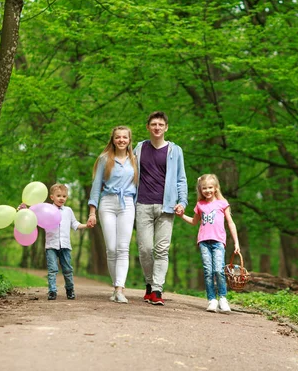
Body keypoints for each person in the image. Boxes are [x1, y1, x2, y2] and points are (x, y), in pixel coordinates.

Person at [134, 111, 188, 306]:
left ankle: (157, 289)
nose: (157, 127)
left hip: (167, 206)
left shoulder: (175, 151)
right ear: (148, 127)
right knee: (145, 249)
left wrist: (183, 201)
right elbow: (128, 172)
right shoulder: (139, 148)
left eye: (161, 124)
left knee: (162, 249)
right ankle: (149, 283)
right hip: (142, 204)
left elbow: (181, 178)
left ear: (166, 128)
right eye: (153, 124)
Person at [87, 126, 138, 304]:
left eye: (125, 137)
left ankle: (119, 289)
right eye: (118, 137)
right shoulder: (104, 159)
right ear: (113, 139)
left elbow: (139, 187)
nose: (122, 140)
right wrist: (92, 212)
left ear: (130, 140)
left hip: (128, 204)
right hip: (107, 203)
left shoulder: (135, 160)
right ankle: (115, 285)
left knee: (123, 247)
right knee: (111, 248)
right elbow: (96, 186)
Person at [176, 174, 240, 313]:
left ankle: (222, 298)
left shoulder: (222, 203)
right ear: (201, 190)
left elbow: (230, 222)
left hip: (218, 242)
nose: (207, 190)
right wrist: (182, 216)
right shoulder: (200, 205)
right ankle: (212, 299)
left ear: (216, 188)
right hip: (204, 242)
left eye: (210, 187)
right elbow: (194, 222)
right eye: (204, 188)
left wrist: (236, 242)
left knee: (218, 270)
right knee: (208, 271)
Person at [44, 183, 91, 300]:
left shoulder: (68, 211)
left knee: (67, 269)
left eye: (64, 196)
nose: (61, 198)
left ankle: (70, 290)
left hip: (65, 245)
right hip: (51, 245)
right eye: (58, 195)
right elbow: (36, 216)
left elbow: (74, 224)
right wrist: (26, 210)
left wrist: (86, 225)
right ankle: (52, 291)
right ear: (52, 197)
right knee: (52, 269)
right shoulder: (47, 210)